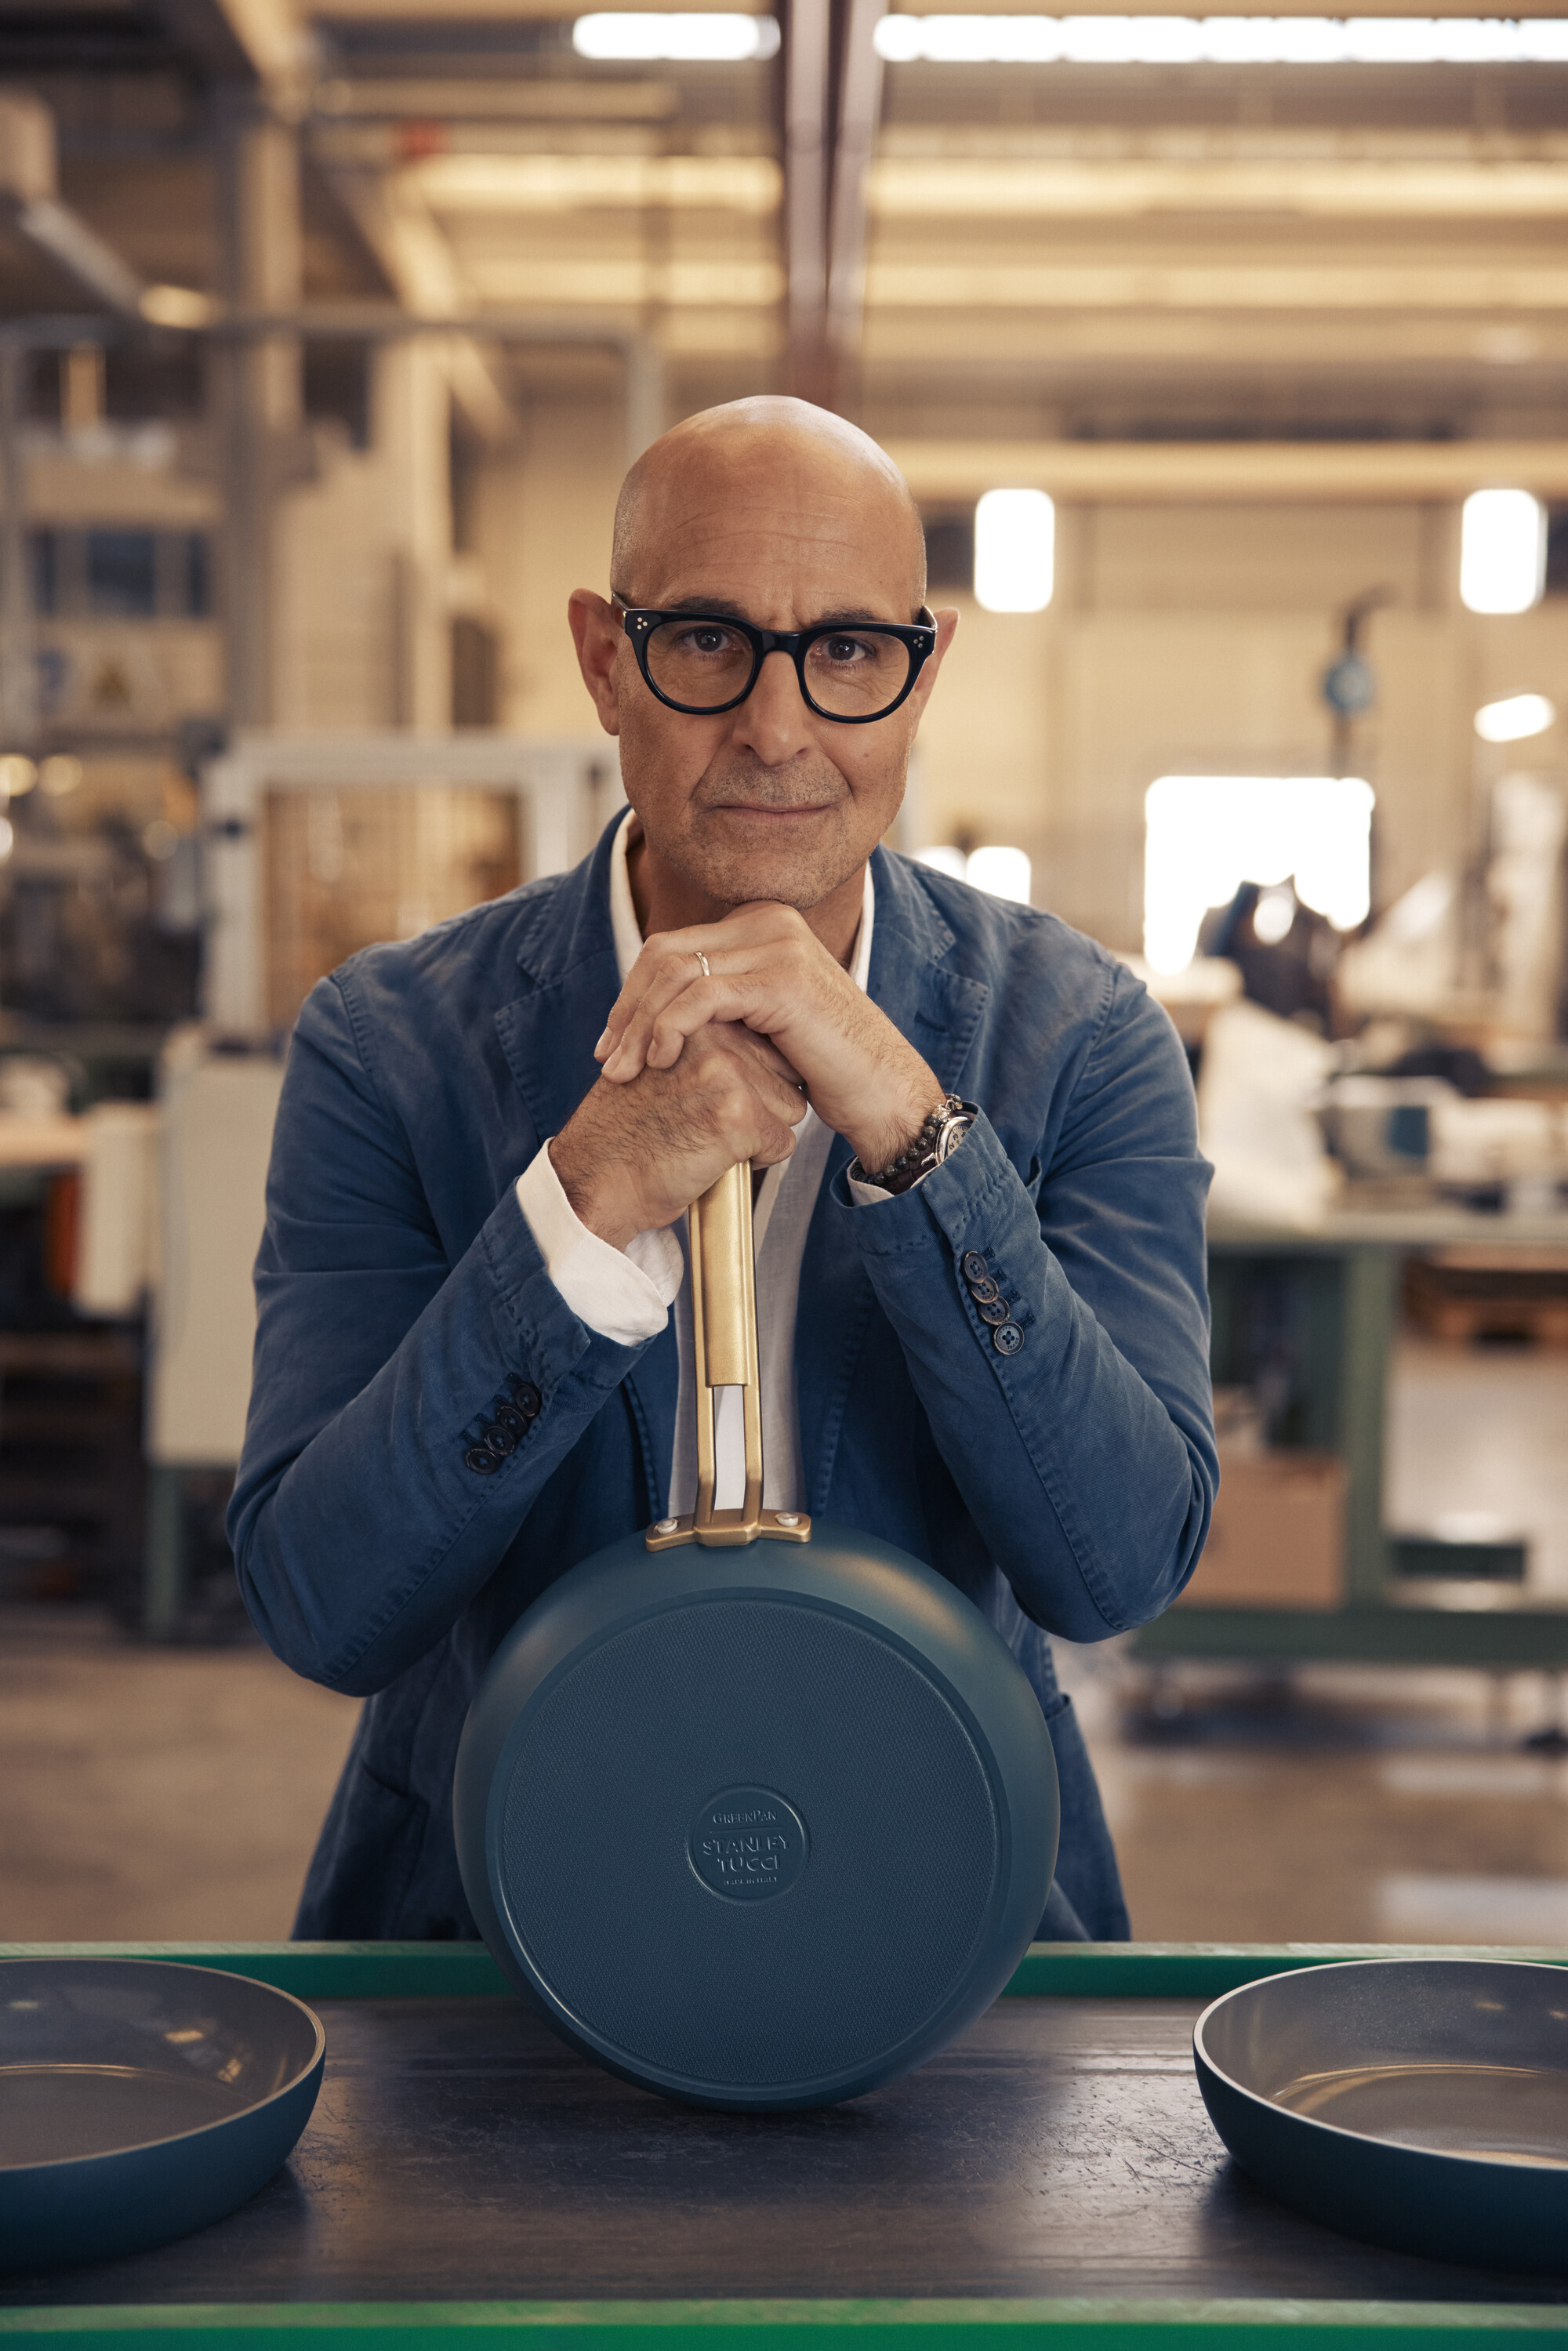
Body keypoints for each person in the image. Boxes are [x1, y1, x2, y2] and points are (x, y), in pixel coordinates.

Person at [230, 396, 1216, 1943]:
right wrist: (581, 1206)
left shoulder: (1080, 1041)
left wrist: (915, 1134)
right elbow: (326, 1605)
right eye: (705, 641)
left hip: (947, 1896)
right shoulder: (388, 1047)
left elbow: (1119, 1565)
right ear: (603, 659)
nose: (776, 726)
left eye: (849, 652)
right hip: (489, 1916)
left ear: (922, 673)